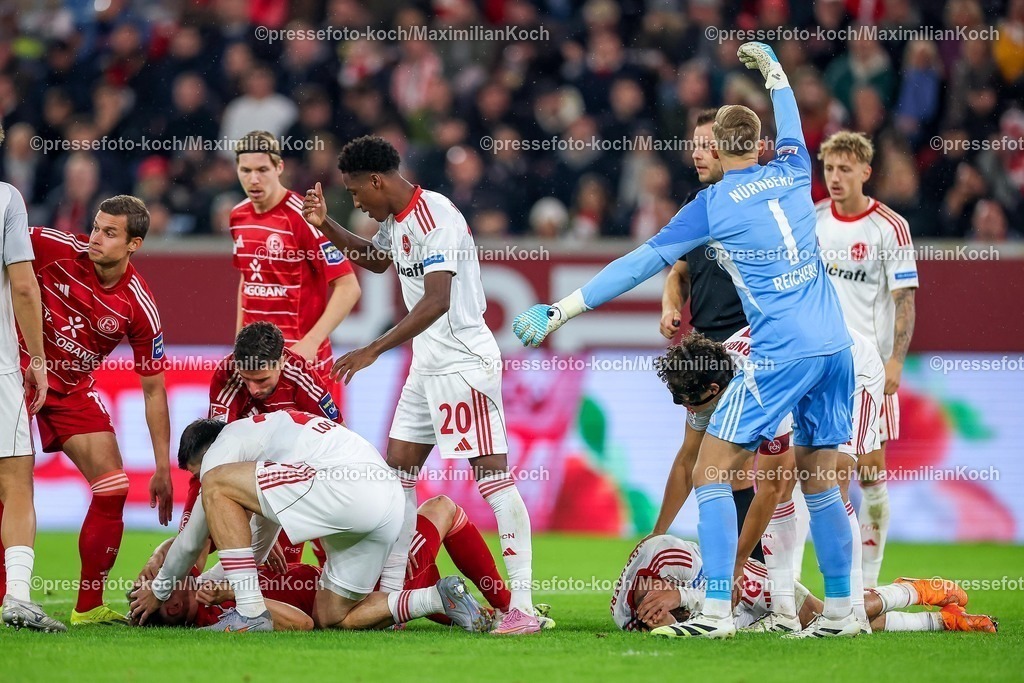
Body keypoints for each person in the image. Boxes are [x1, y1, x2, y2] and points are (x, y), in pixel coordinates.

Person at [513, 43, 857, 638]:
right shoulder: (795, 169)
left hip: (781, 353)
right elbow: (795, 124)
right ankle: (843, 612)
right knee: (822, 480)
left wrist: (561, 309)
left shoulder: (714, 204)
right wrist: (776, 73)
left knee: (710, 472)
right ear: (762, 144)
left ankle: (718, 613)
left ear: (720, 150)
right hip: (836, 347)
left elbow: (639, 263)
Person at [300, 135, 539, 635]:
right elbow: (378, 260)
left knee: (493, 479)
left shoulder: (438, 218)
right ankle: (393, 598)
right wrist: (328, 226)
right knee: (398, 476)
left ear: (377, 180)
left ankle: (524, 607)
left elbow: (436, 302)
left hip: (461, 363)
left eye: (356, 193)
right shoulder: (399, 219)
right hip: (425, 366)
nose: (357, 201)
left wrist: (372, 349)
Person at [129, 412, 489, 633]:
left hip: (346, 486)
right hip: (384, 499)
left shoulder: (222, 453)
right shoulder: (266, 442)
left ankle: (252, 615)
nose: (200, 483)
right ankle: (436, 599)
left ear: (204, 453)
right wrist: (215, 579)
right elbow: (256, 542)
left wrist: (159, 590)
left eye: (196, 473)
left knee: (218, 484)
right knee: (335, 617)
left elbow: (192, 542)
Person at [7, 196, 173, 626]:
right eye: (96, 227)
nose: (95, 238)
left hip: (72, 390)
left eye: (110, 232)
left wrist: (162, 467)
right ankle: (9, 597)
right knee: (8, 487)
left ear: (134, 243)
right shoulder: (50, 246)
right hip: (16, 373)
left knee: (114, 486)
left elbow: (153, 390)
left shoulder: (139, 305)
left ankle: (87, 606)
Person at [654, 325, 885, 633]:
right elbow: (688, 461)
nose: (684, 408)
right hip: (805, 360)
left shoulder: (762, 391)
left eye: (685, 401)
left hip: (852, 368)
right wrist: (656, 536)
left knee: (828, 481)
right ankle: (784, 614)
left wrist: (737, 564)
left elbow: (772, 487)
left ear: (711, 390)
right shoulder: (706, 376)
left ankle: (851, 613)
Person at [134, 495, 538, 631]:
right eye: (164, 589)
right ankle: (507, 607)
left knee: (425, 561)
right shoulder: (217, 609)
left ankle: (491, 611)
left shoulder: (199, 586)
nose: (168, 580)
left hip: (343, 568)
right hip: (358, 586)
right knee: (442, 508)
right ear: (171, 607)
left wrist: (156, 558)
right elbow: (302, 623)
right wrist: (244, 593)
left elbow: (188, 544)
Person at [652, 109, 764, 565]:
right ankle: (660, 543)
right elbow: (678, 270)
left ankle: (747, 579)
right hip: (706, 355)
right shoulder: (696, 208)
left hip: (754, 348)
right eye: (694, 145)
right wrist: (670, 304)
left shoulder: (754, 206)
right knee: (699, 461)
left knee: (729, 471)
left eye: (707, 145)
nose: (698, 154)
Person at [815, 130, 919, 587]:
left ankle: (868, 583)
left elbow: (905, 299)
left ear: (865, 172)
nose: (835, 178)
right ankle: (843, 587)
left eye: (844, 169)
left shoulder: (889, 227)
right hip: (820, 367)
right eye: (828, 169)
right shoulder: (815, 219)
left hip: (869, 372)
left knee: (869, 475)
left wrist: (896, 360)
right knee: (826, 476)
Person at [612, 535, 996, 635]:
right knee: (830, 630)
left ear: (659, 583)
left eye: (663, 605)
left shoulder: (669, 557)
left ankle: (909, 591)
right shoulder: (625, 616)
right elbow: (670, 628)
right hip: (722, 616)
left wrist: (683, 596)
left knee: (827, 616)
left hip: (737, 578)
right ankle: (942, 622)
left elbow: (729, 582)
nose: (665, 614)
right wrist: (671, 626)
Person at [230, 130, 360, 412]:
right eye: (246, 170)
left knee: (322, 451)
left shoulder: (304, 216)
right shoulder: (237, 215)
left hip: (302, 363)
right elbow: (247, 279)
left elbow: (349, 287)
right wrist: (238, 341)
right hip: (256, 365)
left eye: (262, 169)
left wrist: (311, 342)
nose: (254, 179)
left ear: (279, 167)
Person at [204, 320, 340, 563]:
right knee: (199, 522)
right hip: (243, 471)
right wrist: (253, 519)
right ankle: (182, 591)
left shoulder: (301, 378)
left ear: (281, 362)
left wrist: (270, 527)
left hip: (293, 478)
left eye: (262, 380)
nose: (253, 389)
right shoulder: (227, 374)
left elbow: (337, 442)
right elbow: (216, 456)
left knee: (282, 571)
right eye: (247, 379)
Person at [0, 130, 65, 630]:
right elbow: (23, 285)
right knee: (16, 484)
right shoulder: (6, 199)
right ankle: (18, 598)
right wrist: (38, 359)